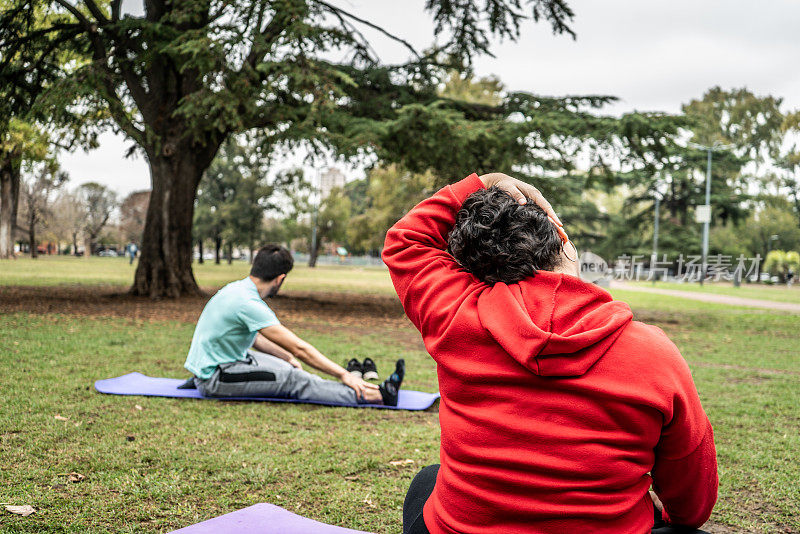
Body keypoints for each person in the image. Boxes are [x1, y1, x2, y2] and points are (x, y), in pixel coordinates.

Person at [382, 173, 718, 534]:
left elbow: (405, 240)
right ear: (563, 240)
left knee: (427, 481)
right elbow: (692, 502)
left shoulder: (454, 317)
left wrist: (486, 180)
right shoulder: (654, 354)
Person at [184, 244, 404, 406]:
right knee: (295, 380)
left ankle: (352, 387)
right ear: (280, 279)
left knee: (288, 367)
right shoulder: (249, 303)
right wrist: (343, 374)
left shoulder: (236, 289)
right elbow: (300, 348)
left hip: (223, 364)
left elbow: (256, 339)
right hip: (215, 377)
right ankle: (379, 395)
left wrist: (288, 358)